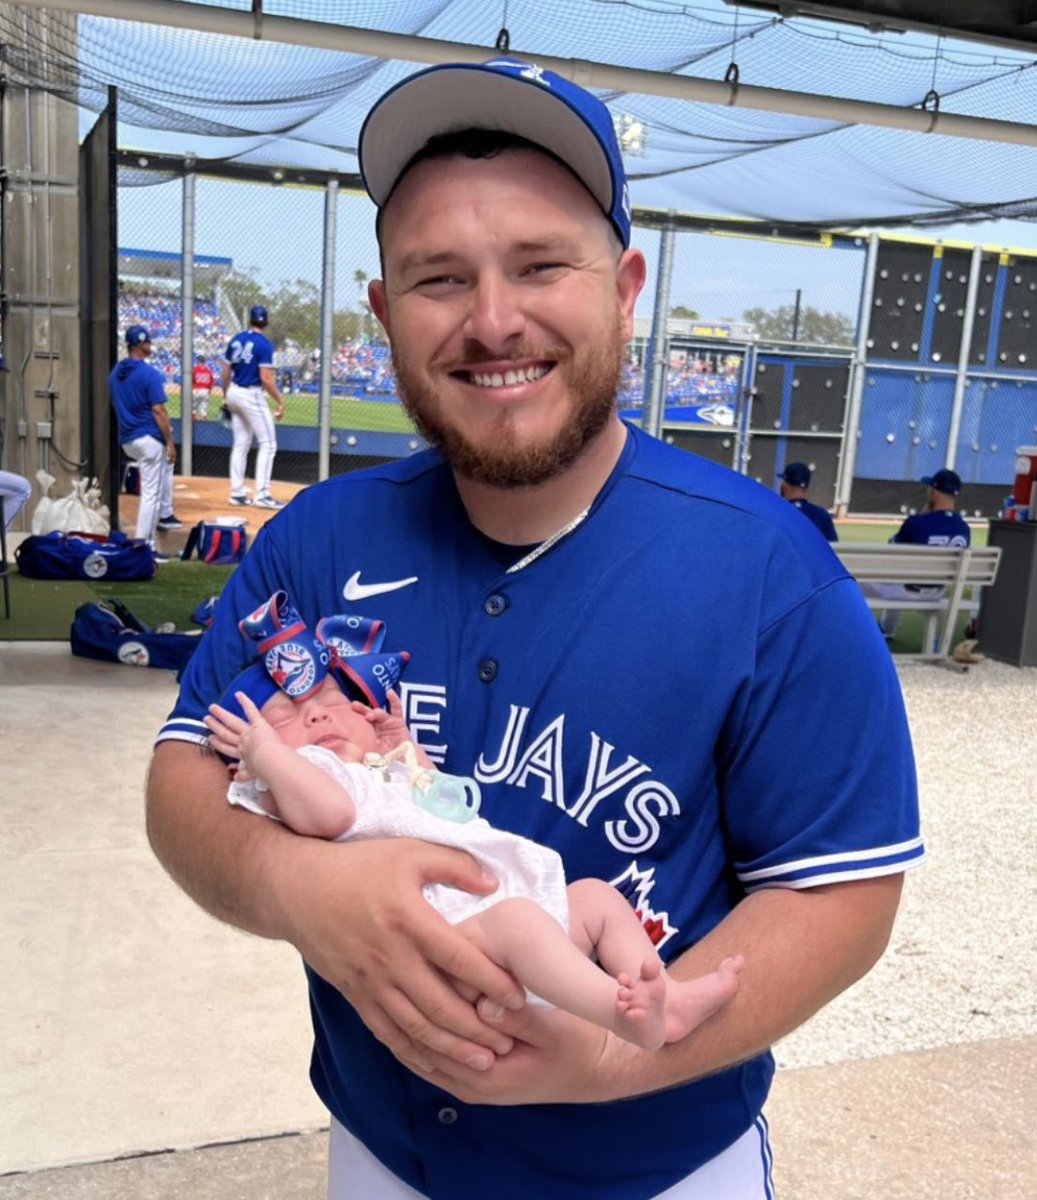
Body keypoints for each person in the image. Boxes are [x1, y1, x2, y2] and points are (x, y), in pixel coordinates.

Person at [147, 57, 923, 1200]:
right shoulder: (315, 541)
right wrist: (295, 889)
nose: (492, 320)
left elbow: (841, 895)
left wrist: (610, 1061)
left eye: (540, 264)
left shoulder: (768, 573)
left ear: (622, 285)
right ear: (383, 314)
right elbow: (182, 783)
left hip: (662, 1166)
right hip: (382, 1147)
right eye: (438, 278)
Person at [204, 594, 744, 1054]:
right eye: (282, 719)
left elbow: (445, 805)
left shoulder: (377, 774)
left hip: (508, 916)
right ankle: (621, 1016)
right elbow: (330, 813)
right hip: (455, 945)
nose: (317, 715)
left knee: (599, 900)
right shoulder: (308, 780)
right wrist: (268, 757)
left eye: (330, 701)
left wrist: (404, 748)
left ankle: (664, 1001)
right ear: (249, 764)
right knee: (521, 926)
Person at [859, 467, 971, 639]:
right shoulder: (964, 528)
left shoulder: (916, 522)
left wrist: (921, 516)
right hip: (937, 591)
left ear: (934, 492)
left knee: (852, 581)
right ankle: (886, 628)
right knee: (897, 578)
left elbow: (892, 548)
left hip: (908, 591)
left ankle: (864, 632)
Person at [108, 325, 180, 559]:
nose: (150, 345)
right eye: (147, 342)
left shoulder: (116, 373)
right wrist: (169, 441)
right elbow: (159, 410)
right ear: (141, 344)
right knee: (151, 494)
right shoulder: (149, 374)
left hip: (127, 439)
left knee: (151, 491)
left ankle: (154, 530)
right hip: (149, 439)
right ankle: (145, 546)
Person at [222, 303, 285, 509]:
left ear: (250, 320)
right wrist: (279, 400)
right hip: (251, 394)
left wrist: (225, 395)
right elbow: (265, 378)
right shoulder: (264, 344)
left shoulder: (236, 339)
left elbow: (225, 371)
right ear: (265, 322)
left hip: (233, 391)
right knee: (268, 443)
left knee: (241, 444)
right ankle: (263, 494)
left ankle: (237, 493)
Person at [777, 461, 838, 541]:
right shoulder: (822, 515)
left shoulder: (776, 512)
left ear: (784, 484)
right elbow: (833, 546)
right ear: (806, 487)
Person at [191, 354, 215, 420]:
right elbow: (212, 382)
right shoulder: (209, 370)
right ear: (204, 362)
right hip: (205, 391)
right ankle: (205, 422)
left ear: (198, 361)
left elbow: (191, 380)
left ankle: (193, 422)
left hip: (196, 390)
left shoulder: (195, 369)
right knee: (203, 409)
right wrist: (209, 391)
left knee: (192, 407)